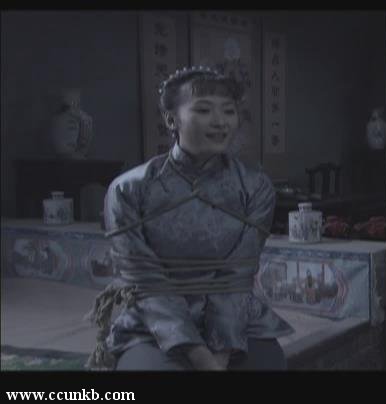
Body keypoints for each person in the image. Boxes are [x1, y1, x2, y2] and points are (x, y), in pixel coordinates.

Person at [85, 66, 293, 371]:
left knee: (269, 365)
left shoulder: (255, 186)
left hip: (236, 317)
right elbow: (145, 281)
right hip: (154, 321)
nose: (220, 121)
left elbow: (237, 276)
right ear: (172, 120)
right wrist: (201, 357)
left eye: (229, 111)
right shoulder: (129, 189)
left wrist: (221, 354)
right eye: (204, 110)